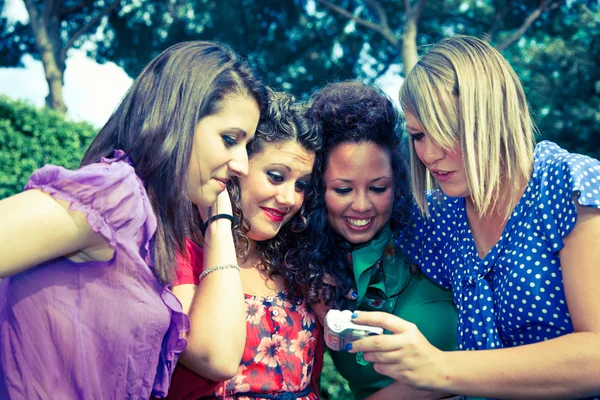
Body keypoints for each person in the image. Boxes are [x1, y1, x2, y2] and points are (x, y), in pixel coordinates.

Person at [0, 41, 266, 399]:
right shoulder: (117, 193)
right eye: (230, 139)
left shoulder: (151, 222)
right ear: (179, 117)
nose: (242, 165)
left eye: (246, 147)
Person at [345, 35, 600, 399]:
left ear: (490, 116)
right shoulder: (439, 216)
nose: (428, 154)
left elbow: (596, 356)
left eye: (446, 131)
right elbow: (351, 216)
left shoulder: (567, 185)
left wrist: (441, 367)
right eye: (418, 135)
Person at [283, 81, 457, 400]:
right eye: (343, 189)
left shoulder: (436, 227)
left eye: (378, 188)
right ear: (317, 189)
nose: (362, 206)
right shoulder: (302, 264)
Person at [164, 90, 324, 400]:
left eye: (301, 185)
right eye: (276, 176)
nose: (290, 198)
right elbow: (210, 355)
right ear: (236, 166)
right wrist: (219, 219)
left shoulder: (295, 259)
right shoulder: (179, 249)